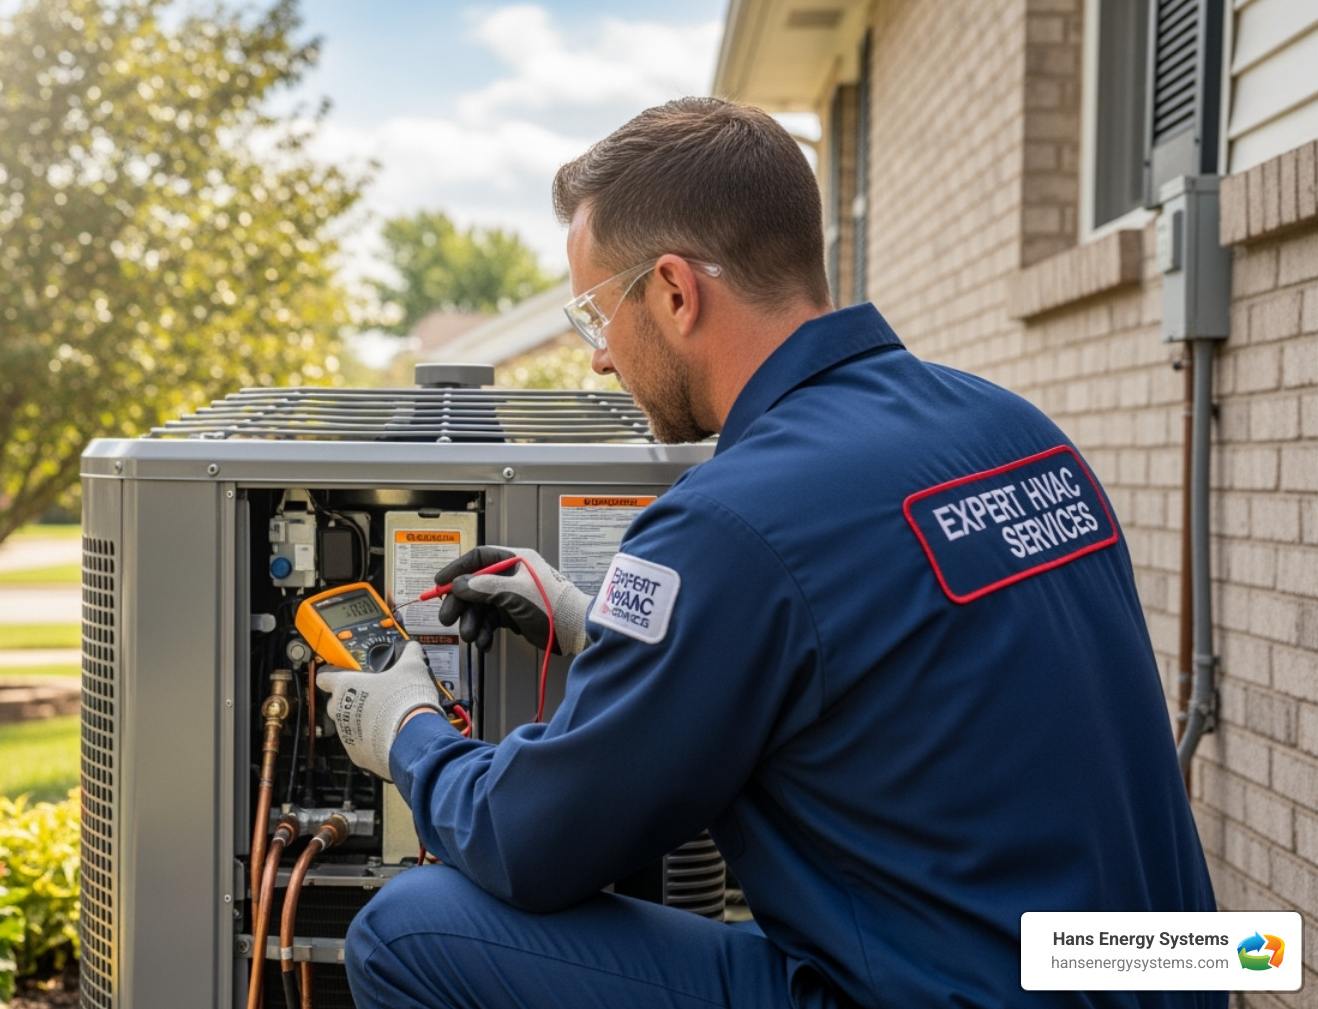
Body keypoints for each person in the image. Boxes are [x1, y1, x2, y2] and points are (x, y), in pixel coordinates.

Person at [315, 97, 1221, 1009]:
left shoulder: (726, 523)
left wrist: (408, 731)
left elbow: (533, 843)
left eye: (596, 315)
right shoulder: (1012, 429)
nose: (599, 360)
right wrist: (602, 627)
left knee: (409, 928)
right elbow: (887, 667)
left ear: (674, 291)